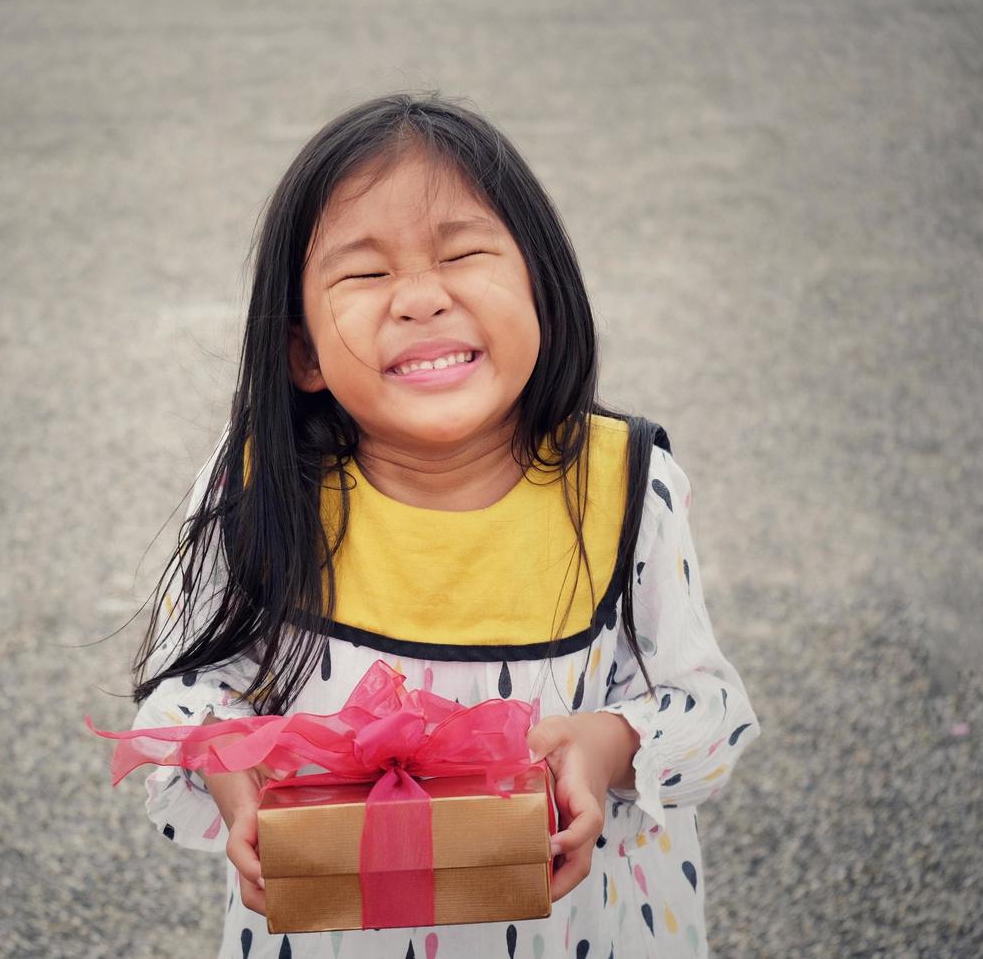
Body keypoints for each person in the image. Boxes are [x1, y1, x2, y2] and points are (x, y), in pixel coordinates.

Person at [119, 91, 761, 958]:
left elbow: (713, 710)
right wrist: (239, 774)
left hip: (580, 928)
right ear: (301, 351)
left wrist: (603, 746)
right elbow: (183, 692)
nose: (420, 299)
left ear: (542, 287)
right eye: (365, 273)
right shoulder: (258, 488)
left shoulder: (623, 487)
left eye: (463, 254)